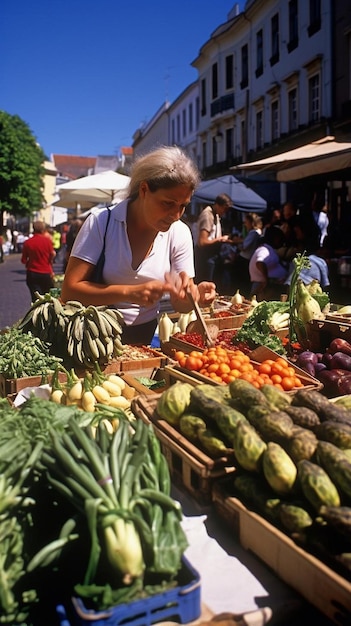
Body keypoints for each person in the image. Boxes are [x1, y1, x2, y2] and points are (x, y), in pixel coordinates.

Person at [61, 146, 216, 345]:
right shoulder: (101, 222)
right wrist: (129, 292)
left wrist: (195, 297)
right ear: (144, 189)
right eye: (168, 203)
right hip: (94, 337)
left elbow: (180, 304)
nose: (176, 215)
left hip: (146, 335)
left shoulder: (179, 232)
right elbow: (70, 291)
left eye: (183, 206)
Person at [194, 193, 232, 287]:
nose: (225, 212)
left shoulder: (216, 215)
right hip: (206, 256)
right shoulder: (208, 216)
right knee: (206, 285)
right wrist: (219, 239)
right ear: (217, 205)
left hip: (213, 255)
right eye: (224, 208)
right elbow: (202, 242)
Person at [249, 225, 288, 301]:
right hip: (262, 287)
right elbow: (260, 263)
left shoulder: (268, 249)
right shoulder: (264, 250)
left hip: (267, 286)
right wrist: (265, 280)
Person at [21, 221, 56, 302]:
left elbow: (23, 260)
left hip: (32, 272)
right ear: (43, 229)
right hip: (46, 272)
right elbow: (52, 254)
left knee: (36, 298)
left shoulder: (28, 242)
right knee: (47, 297)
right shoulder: (47, 241)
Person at [231, 212, 263, 297]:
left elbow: (245, 247)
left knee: (241, 283)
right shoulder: (257, 232)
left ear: (251, 222)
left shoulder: (253, 233)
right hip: (248, 259)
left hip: (244, 260)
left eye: (246, 222)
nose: (245, 224)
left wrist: (235, 244)